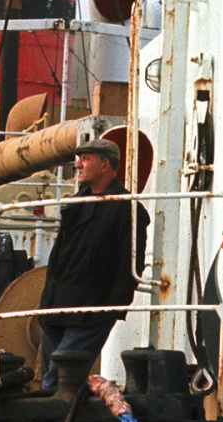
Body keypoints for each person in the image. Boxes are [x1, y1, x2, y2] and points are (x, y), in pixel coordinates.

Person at [38, 137, 149, 393]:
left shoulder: (127, 209)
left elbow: (130, 266)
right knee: (51, 384)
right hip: (56, 308)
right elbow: (58, 258)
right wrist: (46, 303)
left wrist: (110, 307)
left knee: (56, 381)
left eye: (85, 159)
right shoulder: (77, 203)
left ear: (105, 165)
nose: (78, 165)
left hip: (91, 312)